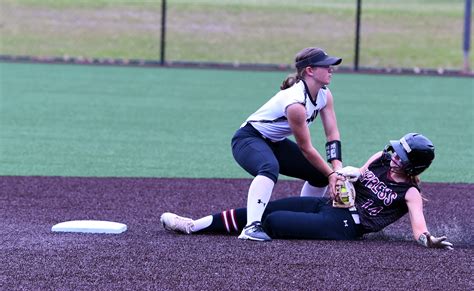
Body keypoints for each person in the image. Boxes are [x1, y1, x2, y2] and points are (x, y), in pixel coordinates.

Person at [160, 133, 454, 250]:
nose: (395, 155)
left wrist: (428, 241)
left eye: (402, 155)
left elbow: (419, 228)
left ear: (414, 166)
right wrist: (347, 176)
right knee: (264, 211)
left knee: (273, 223)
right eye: (397, 150)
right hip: (328, 207)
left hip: (345, 226)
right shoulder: (380, 158)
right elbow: (359, 178)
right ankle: (193, 225)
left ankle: (204, 227)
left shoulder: (411, 193)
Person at [230, 47, 345, 242]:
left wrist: (337, 168)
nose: (331, 69)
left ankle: (302, 217)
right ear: (310, 70)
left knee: (319, 175)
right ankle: (251, 227)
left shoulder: (325, 95)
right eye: (326, 66)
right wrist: (332, 174)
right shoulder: (295, 104)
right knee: (269, 167)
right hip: (248, 139)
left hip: (274, 142)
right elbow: (306, 148)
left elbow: (332, 133)